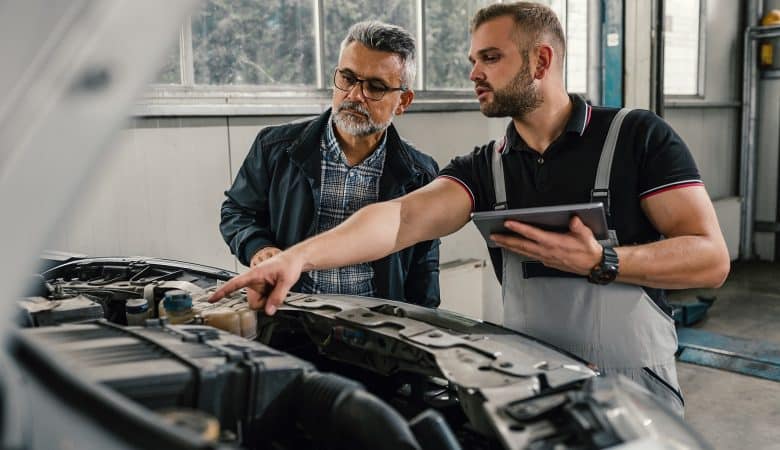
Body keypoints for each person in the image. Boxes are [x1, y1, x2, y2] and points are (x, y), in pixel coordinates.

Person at [211, 3, 730, 416]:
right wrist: (297, 258)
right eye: (472, 61)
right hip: (533, 389)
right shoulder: (488, 167)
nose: (474, 73)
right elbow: (399, 219)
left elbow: (711, 259)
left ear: (540, 61)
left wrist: (603, 261)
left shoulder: (637, 137)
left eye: (490, 58)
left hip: (636, 390)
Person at [218, 20, 440, 307]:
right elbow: (237, 211)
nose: (355, 95)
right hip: (291, 315)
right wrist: (258, 247)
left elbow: (424, 266)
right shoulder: (273, 148)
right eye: (347, 78)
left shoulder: (420, 174)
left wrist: (422, 329)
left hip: (377, 328)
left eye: (375, 87)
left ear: (403, 101)